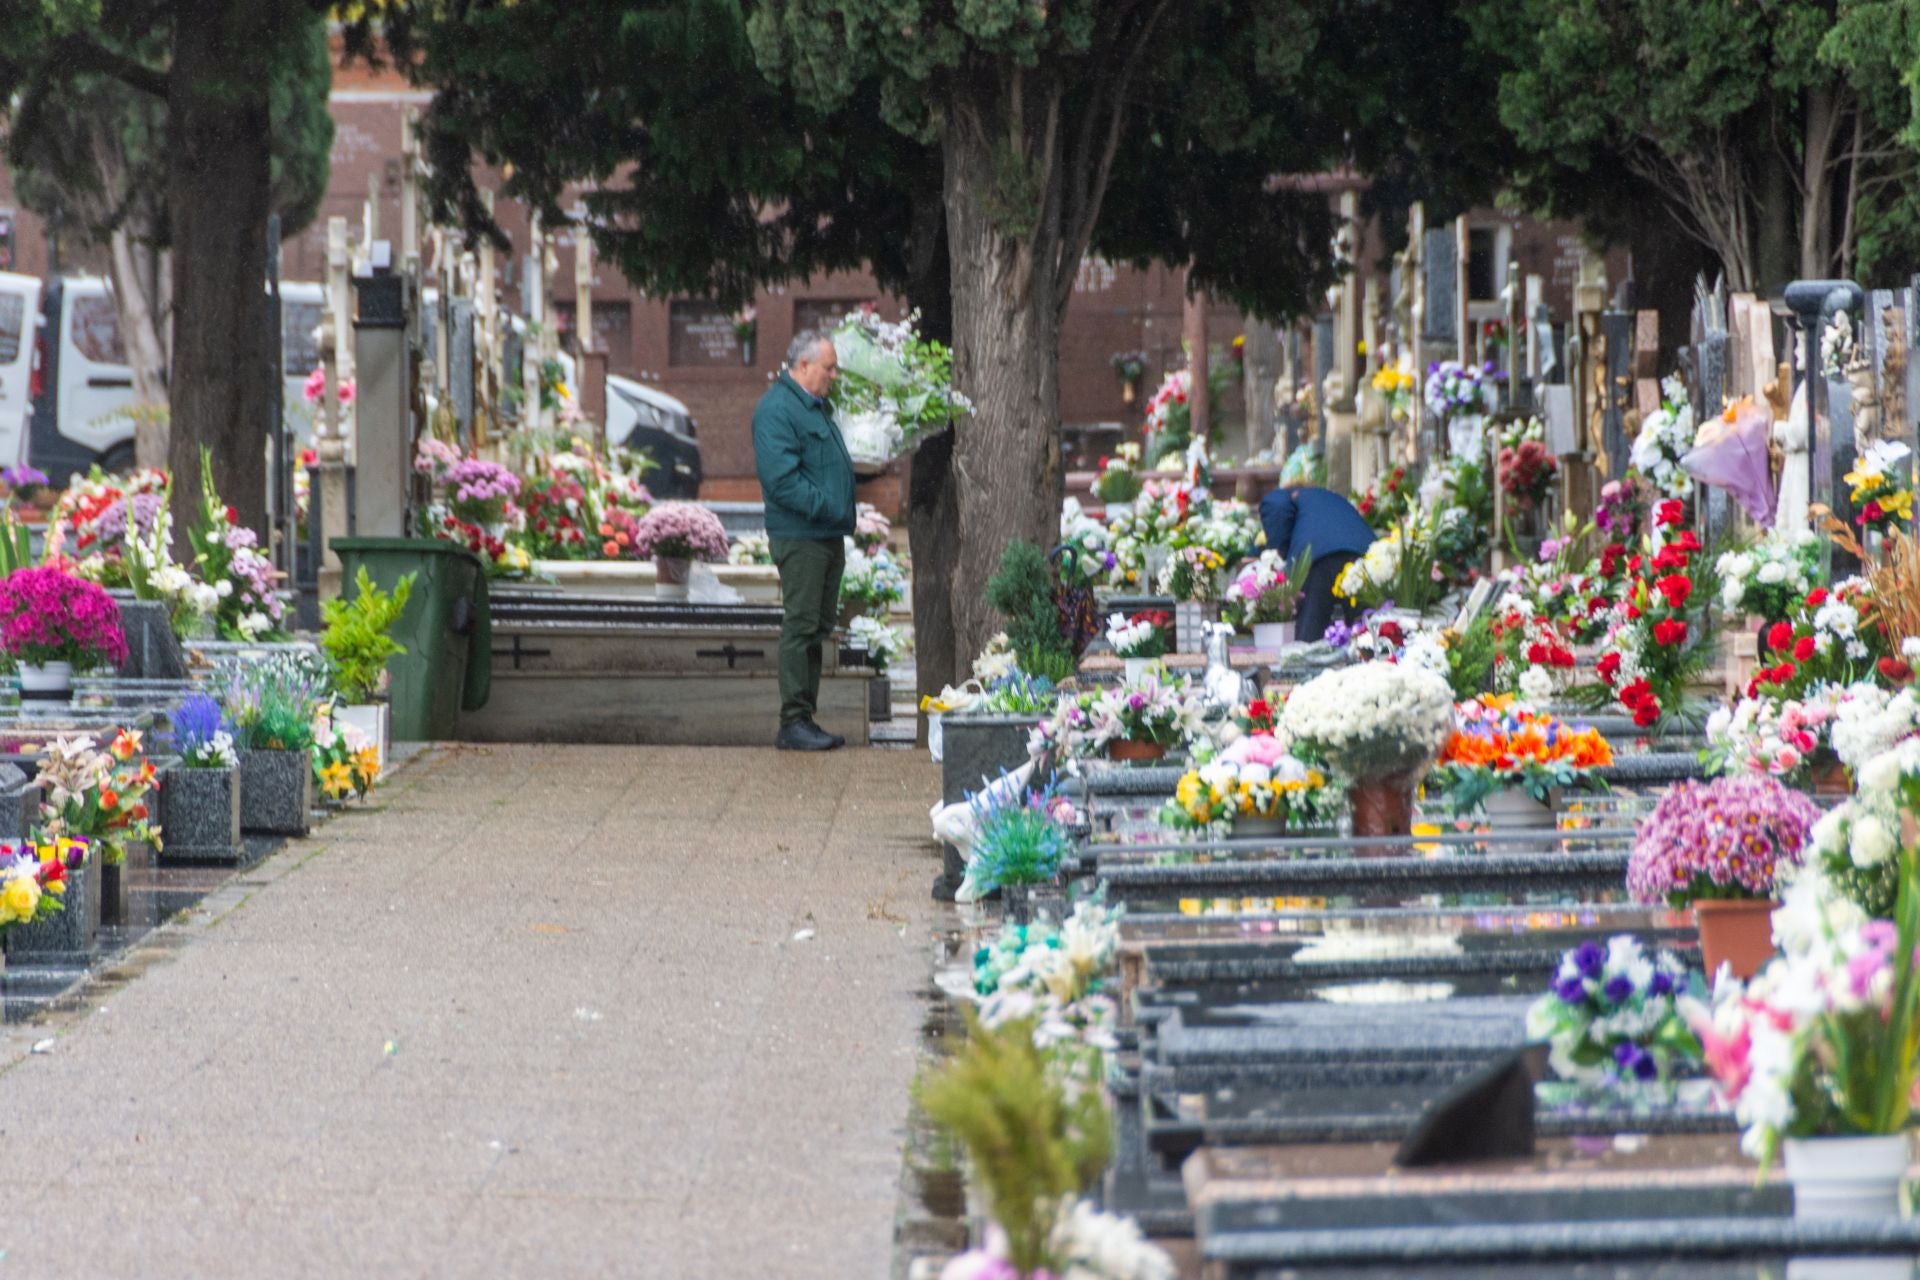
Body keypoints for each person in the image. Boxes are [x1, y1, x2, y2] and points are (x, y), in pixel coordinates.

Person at [753, 331, 856, 751]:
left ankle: (804, 719)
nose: (834, 375)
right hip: (802, 536)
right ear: (803, 366)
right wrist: (830, 506)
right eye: (828, 368)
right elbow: (782, 481)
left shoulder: (814, 408)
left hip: (824, 533)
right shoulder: (778, 410)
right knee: (801, 625)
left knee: (816, 626)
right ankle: (793, 721)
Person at [1258, 479, 1375, 643]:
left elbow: (1276, 505)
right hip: (1361, 556)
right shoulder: (1330, 497)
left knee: (1309, 635)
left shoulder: (1287, 496)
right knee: (1368, 634)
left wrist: (1278, 553)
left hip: (1318, 558)